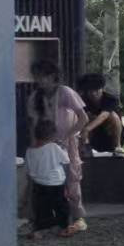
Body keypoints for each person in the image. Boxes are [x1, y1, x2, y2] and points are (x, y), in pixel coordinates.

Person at [28, 58, 89, 233]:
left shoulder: (65, 92)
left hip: (66, 143)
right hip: (44, 145)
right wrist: (35, 145)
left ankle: (78, 217)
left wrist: (67, 136)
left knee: (72, 177)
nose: (40, 80)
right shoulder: (35, 97)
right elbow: (33, 125)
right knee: (45, 181)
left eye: (44, 76)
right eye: (37, 76)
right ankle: (48, 219)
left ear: (53, 76)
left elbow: (83, 118)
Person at [24, 118, 73, 238]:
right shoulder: (54, 147)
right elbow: (66, 160)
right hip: (56, 183)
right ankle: (63, 228)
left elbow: (29, 170)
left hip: (39, 184)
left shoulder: (29, 151)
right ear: (52, 136)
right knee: (61, 206)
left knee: (42, 208)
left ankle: (40, 230)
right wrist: (64, 147)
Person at [77, 73, 124, 155]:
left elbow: (104, 116)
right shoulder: (82, 99)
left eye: (96, 90)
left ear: (102, 88)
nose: (93, 94)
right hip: (93, 134)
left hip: (109, 132)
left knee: (113, 116)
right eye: (90, 91)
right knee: (85, 116)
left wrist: (87, 129)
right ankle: (84, 147)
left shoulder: (111, 99)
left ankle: (118, 146)